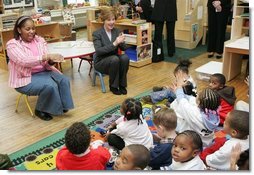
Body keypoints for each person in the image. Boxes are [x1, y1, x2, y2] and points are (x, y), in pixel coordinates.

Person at [6, 16, 74, 121]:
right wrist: (46, 57)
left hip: (43, 72)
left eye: (33, 28)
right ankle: (40, 109)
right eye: (27, 29)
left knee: (64, 80)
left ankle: (62, 106)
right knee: (49, 86)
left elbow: (46, 63)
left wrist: (52, 61)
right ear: (19, 30)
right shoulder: (12, 45)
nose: (32, 31)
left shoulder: (40, 40)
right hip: (25, 78)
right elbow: (24, 61)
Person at [171, 71, 220, 148]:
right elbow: (191, 99)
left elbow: (182, 102)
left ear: (199, 102)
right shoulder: (214, 111)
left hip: (194, 144)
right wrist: (178, 92)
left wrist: (179, 87)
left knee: (179, 113)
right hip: (207, 142)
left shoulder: (195, 114)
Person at [93, 8, 130, 95]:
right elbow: (99, 51)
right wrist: (115, 43)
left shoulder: (117, 31)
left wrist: (122, 41)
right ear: (103, 21)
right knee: (115, 59)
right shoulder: (97, 33)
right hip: (101, 62)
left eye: (113, 19)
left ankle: (122, 85)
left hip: (114, 60)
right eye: (109, 20)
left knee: (124, 58)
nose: (112, 22)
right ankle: (113, 86)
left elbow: (124, 48)